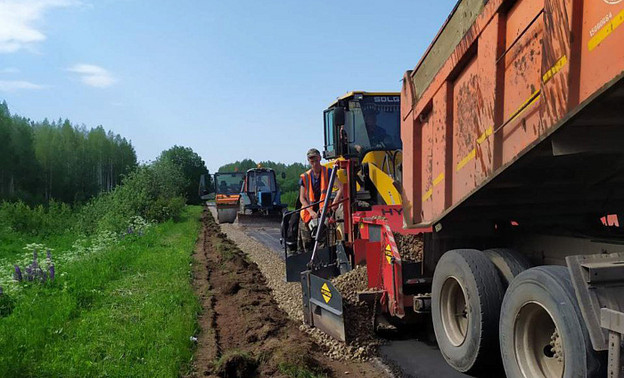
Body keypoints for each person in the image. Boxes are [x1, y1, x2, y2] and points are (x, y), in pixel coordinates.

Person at [298, 148, 343, 253]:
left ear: (320, 159)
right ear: (309, 161)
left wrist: (335, 203)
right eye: (312, 161)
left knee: (323, 243)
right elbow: (302, 198)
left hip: (324, 212)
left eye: (316, 161)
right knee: (307, 244)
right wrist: (311, 212)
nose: (314, 164)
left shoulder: (328, 172)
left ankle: (322, 264)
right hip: (308, 214)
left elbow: (341, 187)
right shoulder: (305, 177)